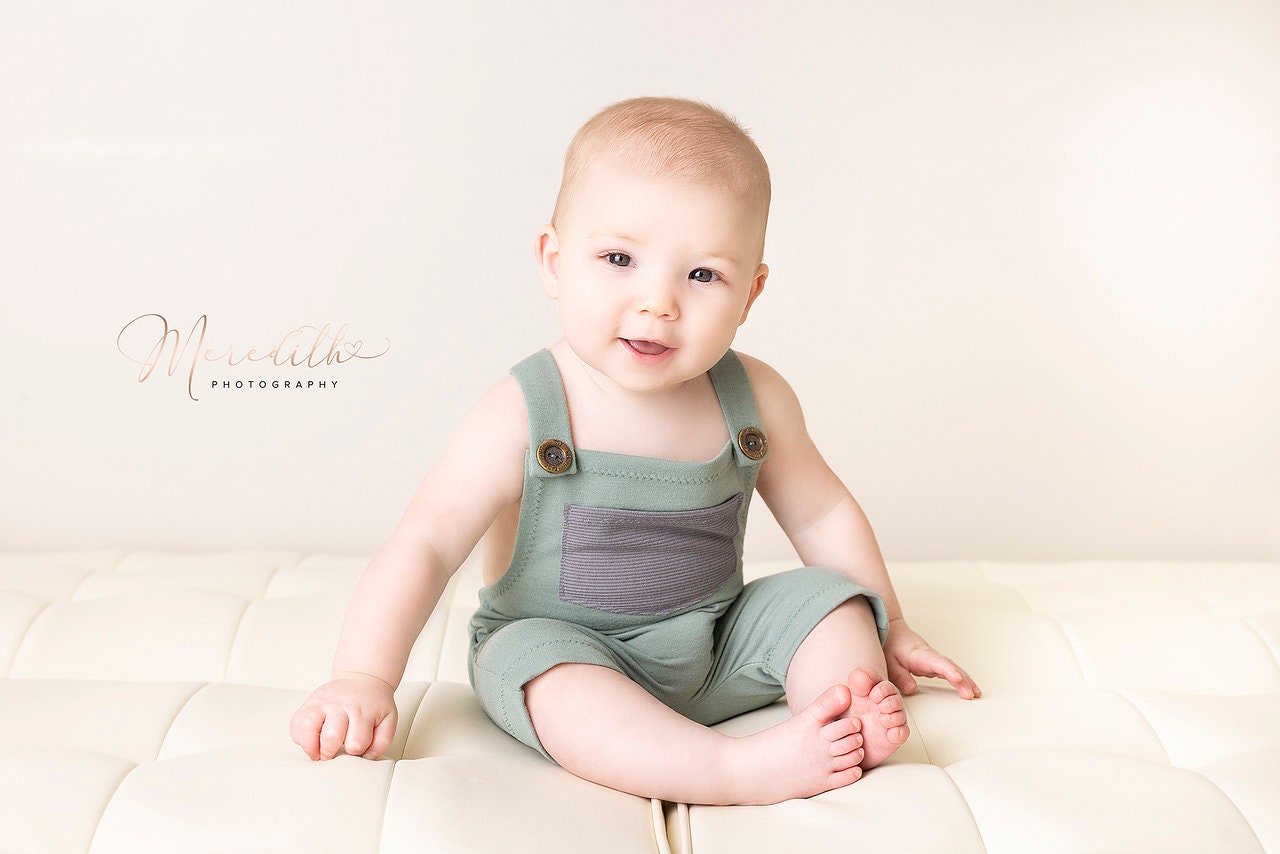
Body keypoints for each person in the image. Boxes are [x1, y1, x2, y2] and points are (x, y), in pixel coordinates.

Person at [290, 96, 981, 806]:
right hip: (571, 648)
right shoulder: (524, 413)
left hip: (715, 644)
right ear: (554, 262)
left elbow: (823, 514)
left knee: (829, 601)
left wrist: (889, 623)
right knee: (540, 671)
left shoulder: (756, 397)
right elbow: (427, 544)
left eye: (703, 275)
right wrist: (363, 677)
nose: (658, 303)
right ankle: (731, 770)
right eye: (619, 258)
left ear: (751, 293)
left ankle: (837, 714)